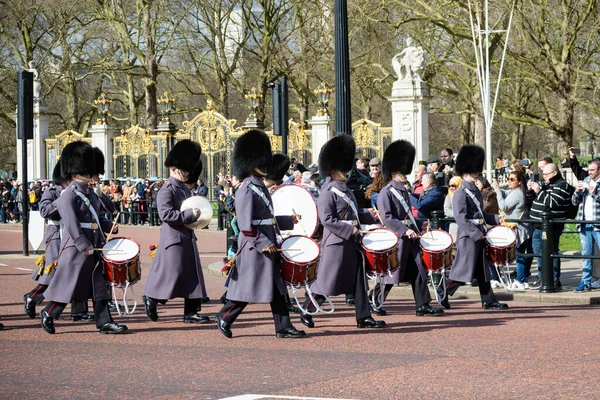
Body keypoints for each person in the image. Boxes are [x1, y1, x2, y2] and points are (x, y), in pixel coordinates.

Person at [215, 130, 305, 339]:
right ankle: (224, 316)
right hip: (255, 246)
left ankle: (283, 327)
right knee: (248, 288)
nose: (266, 166)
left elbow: (267, 218)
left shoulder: (259, 186)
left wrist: (287, 220)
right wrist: (263, 242)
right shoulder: (247, 188)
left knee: (277, 288)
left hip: (267, 243)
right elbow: (246, 225)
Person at [298, 134, 385, 330]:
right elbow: (327, 219)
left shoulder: (345, 189)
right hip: (337, 242)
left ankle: (364, 317)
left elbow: (353, 213)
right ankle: (306, 309)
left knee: (359, 281)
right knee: (327, 281)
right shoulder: (328, 192)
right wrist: (350, 229)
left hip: (351, 241)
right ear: (335, 170)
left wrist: (371, 214)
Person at [40, 141, 127, 334]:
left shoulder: (90, 194)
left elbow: (98, 217)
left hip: (95, 244)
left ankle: (104, 322)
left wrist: (110, 226)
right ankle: (48, 312)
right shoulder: (67, 196)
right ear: (74, 173)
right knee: (68, 285)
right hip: (76, 247)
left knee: (100, 285)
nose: (90, 176)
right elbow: (71, 223)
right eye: (86, 172)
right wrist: (82, 244)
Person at [371, 140, 444, 317]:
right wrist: (404, 230)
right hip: (398, 240)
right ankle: (372, 300)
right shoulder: (386, 192)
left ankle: (423, 304)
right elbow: (387, 218)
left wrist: (420, 225)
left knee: (418, 271)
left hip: (409, 239)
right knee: (391, 274)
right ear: (395, 172)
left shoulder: (403, 191)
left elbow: (408, 218)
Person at [142, 140, 209, 324]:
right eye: (184, 169)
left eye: (188, 169)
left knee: (192, 274)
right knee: (171, 274)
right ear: (174, 168)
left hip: (187, 236)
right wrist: (188, 215)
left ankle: (191, 312)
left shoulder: (185, 189)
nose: (187, 172)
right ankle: (151, 298)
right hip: (174, 238)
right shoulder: (167, 189)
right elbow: (166, 215)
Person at [440, 145, 508, 310]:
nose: (477, 174)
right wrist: (475, 234)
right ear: (465, 173)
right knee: (463, 271)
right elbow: (461, 218)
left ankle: (488, 300)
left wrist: (494, 218)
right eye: (474, 172)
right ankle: (442, 292)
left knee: (482, 270)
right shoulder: (461, 193)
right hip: (470, 236)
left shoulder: (475, 191)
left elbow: (480, 215)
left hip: (479, 233)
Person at [23, 163, 94, 321]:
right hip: (56, 234)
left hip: (71, 234)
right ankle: (32, 297)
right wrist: (62, 201)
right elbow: (44, 211)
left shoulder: (79, 192)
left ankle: (79, 311)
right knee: (56, 272)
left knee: (78, 272)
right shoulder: (52, 191)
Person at [528, 163, 573, 291]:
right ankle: (542, 278)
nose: (544, 176)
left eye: (546, 174)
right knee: (539, 254)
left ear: (554, 173)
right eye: (543, 174)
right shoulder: (546, 184)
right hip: (538, 225)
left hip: (552, 226)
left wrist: (538, 191)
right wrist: (530, 190)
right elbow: (534, 200)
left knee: (551, 252)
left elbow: (552, 203)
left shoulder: (562, 185)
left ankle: (553, 280)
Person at [493, 170, 533, 289]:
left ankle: (520, 280)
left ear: (519, 182)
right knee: (522, 254)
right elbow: (506, 192)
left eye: (512, 179)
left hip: (519, 229)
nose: (508, 181)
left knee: (519, 254)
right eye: (508, 179)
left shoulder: (517, 193)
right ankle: (523, 279)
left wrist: (497, 191)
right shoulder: (515, 191)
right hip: (521, 228)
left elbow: (503, 206)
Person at [571, 159, 600, 292]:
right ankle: (585, 281)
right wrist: (577, 190)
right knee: (586, 254)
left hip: (598, 224)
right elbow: (574, 202)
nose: (590, 172)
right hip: (584, 224)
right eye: (589, 170)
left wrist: (595, 194)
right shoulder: (586, 180)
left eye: (593, 170)